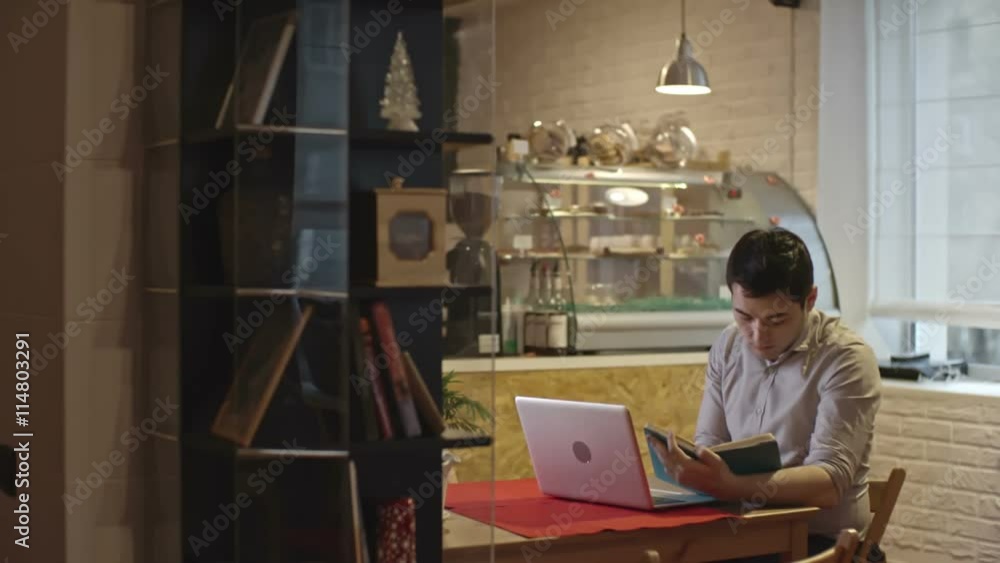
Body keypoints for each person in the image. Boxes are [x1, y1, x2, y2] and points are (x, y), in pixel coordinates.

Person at [648, 228, 883, 561]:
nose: (758, 336)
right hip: (745, 534)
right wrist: (694, 470)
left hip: (822, 547)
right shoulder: (728, 346)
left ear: (810, 300)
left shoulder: (845, 359)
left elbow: (829, 483)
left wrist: (729, 486)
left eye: (776, 319)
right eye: (744, 316)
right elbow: (710, 445)